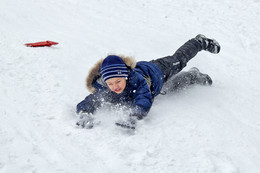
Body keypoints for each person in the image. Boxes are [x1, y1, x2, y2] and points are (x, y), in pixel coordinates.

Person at [76, 34, 221, 129]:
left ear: (125, 76)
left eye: (118, 81)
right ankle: (194, 76)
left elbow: (143, 99)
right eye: (110, 83)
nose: (115, 86)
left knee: (179, 59)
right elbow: (90, 100)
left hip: (158, 70)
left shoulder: (137, 81)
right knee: (174, 86)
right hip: (157, 87)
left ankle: (200, 42)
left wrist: (135, 115)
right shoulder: (107, 89)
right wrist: (85, 113)